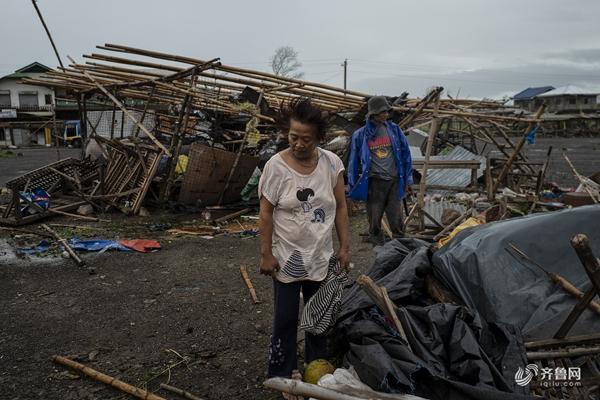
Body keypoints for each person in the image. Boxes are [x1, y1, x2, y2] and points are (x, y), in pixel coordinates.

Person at [258, 98, 350, 380]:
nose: (298, 144)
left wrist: (345, 246)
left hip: (320, 256)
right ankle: (282, 373)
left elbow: (341, 206)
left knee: (319, 317)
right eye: (293, 137)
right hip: (287, 257)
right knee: (285, 319)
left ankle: (317, 371)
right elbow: (265, 211)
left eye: (306, 140)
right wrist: (266, 254)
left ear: (319, 139)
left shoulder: (331, 163)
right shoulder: (276, 166)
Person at [347, 96, 413, 245]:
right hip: (374, 183)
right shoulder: (361, 135)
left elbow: (406, 155)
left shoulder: (394, 130)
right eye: (381, 112)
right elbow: (353, 162)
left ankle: (401, 251)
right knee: (374, 222)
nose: (385, 115)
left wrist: (408, 180)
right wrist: (352, 186)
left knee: (396, 220)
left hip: (394, 181)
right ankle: (379, 252)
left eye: (386, 112)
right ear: (373, 114)